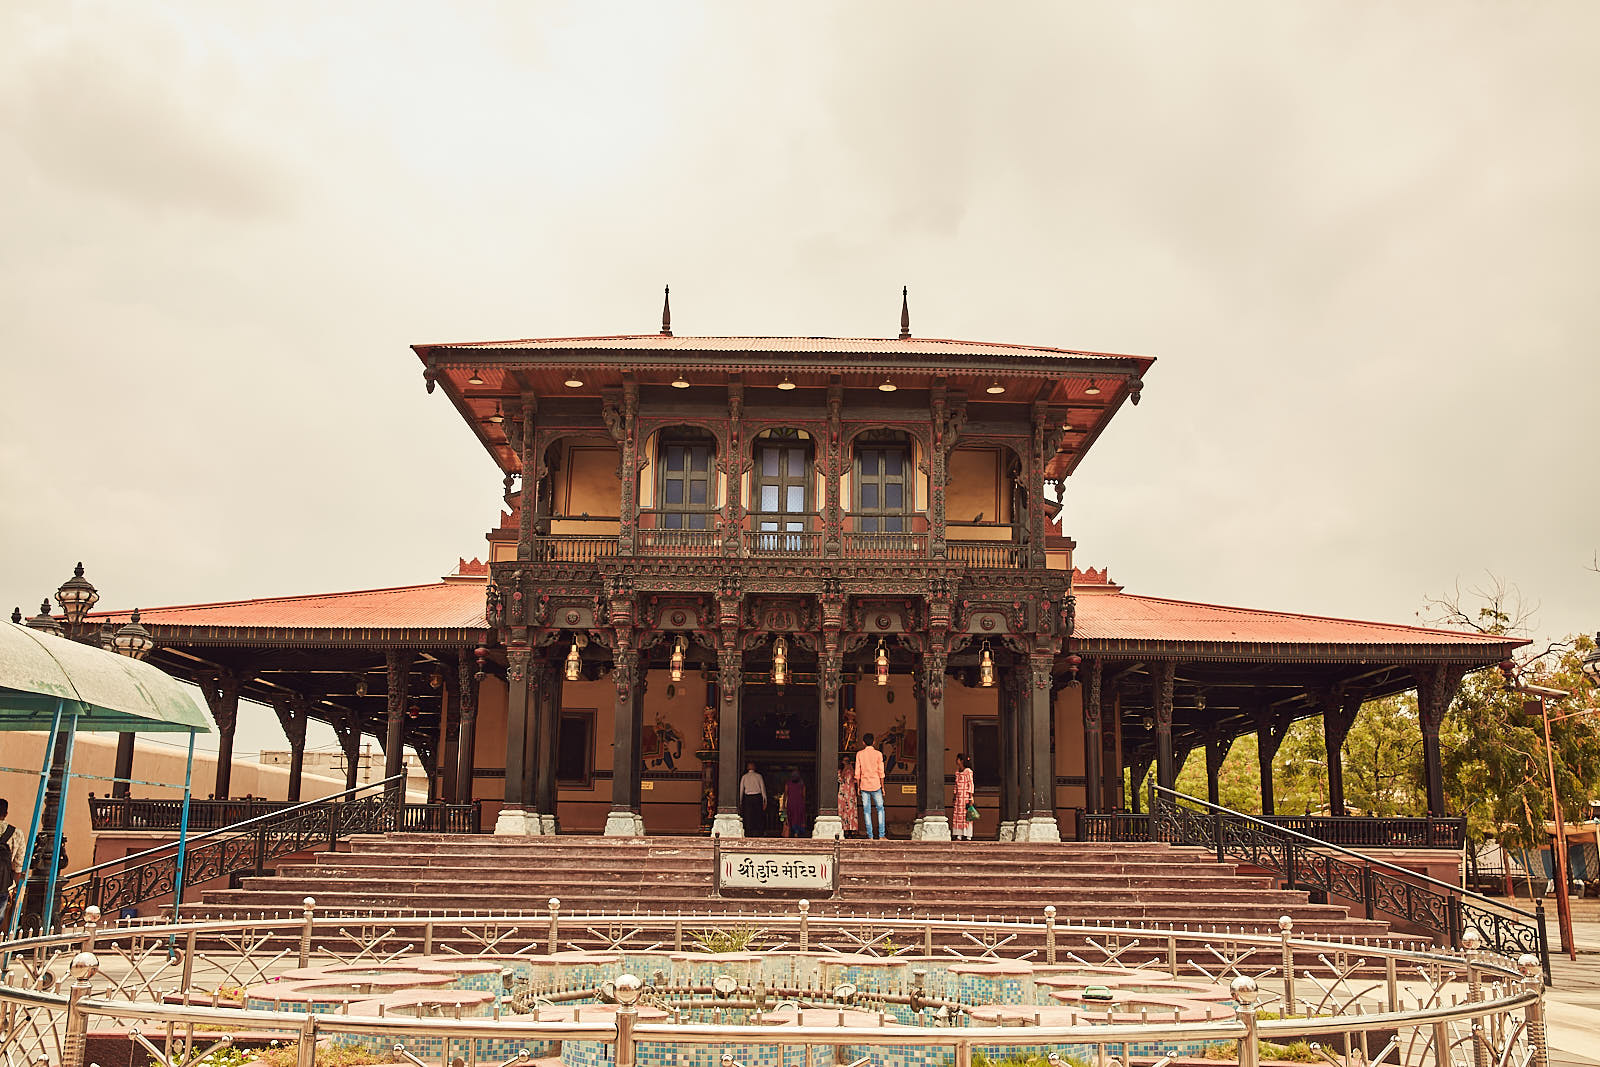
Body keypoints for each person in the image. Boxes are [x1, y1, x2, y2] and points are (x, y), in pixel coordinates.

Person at [856, 733, 886, 839]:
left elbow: (857, 773)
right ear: (874, 742)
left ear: (863, 743)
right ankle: (882, 835)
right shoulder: (878, 754)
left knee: (866, 811)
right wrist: (882, 787)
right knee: (880, 809)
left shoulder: (859, 754)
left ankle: (870, 836)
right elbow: (881, 772)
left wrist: (858, 787)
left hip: (864, 786)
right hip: (876, 785)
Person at [0, 799, 23, 931]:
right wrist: (14, 887)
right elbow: (18, 865)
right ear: (6, 813)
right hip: (3, 883)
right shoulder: (16, 833)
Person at [739, 761, 767, 837]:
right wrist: (765, 800)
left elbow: (741, 790)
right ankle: (758, 832)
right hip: (757, 797)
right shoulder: (759, 776)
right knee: (758, 815)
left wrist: (740, 801)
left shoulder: (744, 777)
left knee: (749, 815)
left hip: (748, 798)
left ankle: (749, 832)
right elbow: (763, 789)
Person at [951, 753, 976, 840]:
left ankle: (968, 835)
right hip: (958, 798)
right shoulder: (957, 772)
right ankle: (959, 834)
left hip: (965, 797)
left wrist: (971, 797)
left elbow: (970, 784)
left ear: (961, 761)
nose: (956, 761)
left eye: (957, 759)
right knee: (958, 815)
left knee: (966, 816)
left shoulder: (968, 771)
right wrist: (954, 795)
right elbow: (956, 785)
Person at [837, 755, 860, 837]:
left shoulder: (852, 770)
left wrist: (850, 768)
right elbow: (841, 778)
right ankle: (844, 830)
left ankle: (852, 830)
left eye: (848, 761)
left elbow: (855, 778)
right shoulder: (840, 771)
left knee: (851, 811)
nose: (846, 763)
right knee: (843, 812)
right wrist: (845, 768)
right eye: (845, 761)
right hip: (843, 793)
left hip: (851, 793)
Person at [783, 770, 807, 838]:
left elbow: (785, 794)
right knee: (799, 817)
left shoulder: (788, 783)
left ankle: (793, 831)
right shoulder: (802, 784)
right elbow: (804, 795)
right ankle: (797, 832)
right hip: (799, 803)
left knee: (791, 816)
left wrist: (784, 804)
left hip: (791, 803)